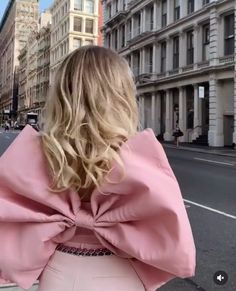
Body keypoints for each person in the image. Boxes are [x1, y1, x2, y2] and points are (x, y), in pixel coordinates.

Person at [0, 46, 196, 291]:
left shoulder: (40, 154)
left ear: (61, 95)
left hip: (58, 273)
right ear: (121, 95)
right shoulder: (138, 157)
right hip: (120, 274)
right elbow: (168, 229)